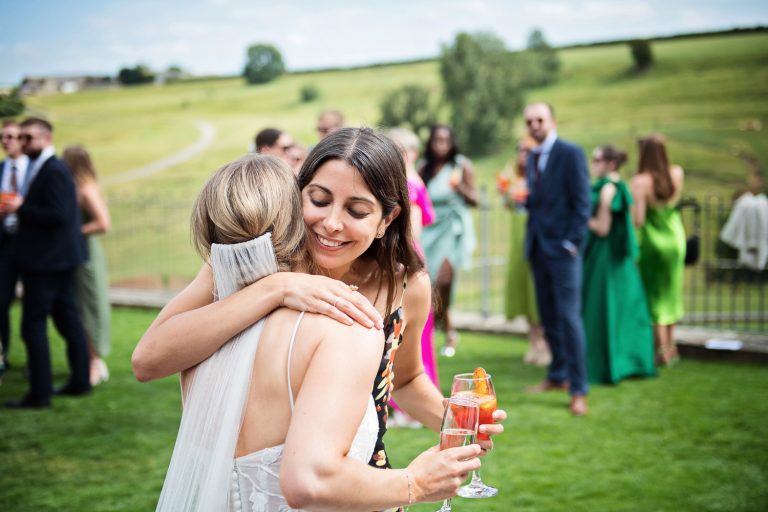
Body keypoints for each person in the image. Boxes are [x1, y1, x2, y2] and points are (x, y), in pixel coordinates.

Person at [133, 128, 505, 472]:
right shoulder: (260, 260)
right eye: (319, 200)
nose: (331, 223)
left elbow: (405, 380)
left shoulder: (406, 284)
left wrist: (449, 417)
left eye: (357, 211)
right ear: (298, 192)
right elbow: (148, 360)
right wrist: (276, 288)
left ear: (387, 219)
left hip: (360, 484)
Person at [2, 117, 91, 408]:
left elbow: (58, 215)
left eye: (28, 138)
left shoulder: (53, 170)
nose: (22, 143)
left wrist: (20, 208)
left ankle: (39, 394)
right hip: (56, 259)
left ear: (46, 138)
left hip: (47, 262)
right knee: (67, 319)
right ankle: (80, 382)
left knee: (32, 325)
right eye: (21, 138)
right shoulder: (47, 168)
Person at [522, 103, 591, 416]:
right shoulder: (532, 157)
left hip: (563, 251)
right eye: (529, 121)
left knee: (569, 317)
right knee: (548, 316)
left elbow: (582, 202)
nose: (534, 125)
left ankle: (579, 390)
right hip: (538, 247)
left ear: (552, 121)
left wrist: (572, 243)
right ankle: (557, 375)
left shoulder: (571, 153)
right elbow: (538, 204)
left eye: (539, 119)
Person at [582, 145, 656, 384]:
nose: (593, 164)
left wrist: (580, 217)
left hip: (606, 260)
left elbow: (602, 228)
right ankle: (627, 362)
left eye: (597, 160)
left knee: (603, 309)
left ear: (611, 164)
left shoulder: (608, 190)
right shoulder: (619, 187)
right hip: (616, 261)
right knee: (624, 311)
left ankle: (609, 365)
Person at [386, 127, 438, 428]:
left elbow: (415, 229)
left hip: (404, 259)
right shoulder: (414, 181)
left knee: (412, 337)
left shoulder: (408, 184)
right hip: (408, 257)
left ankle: (408, 409)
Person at [419, 125, 478, 357]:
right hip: (431, 231)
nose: (441, 144)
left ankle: (447, 328)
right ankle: (443, 328)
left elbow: (475, 199)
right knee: (430, 283)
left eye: (446, 140)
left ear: (452, 142)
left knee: (444, 280)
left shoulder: (461, 166)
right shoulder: (425, 168)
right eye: (437, 140)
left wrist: (461, 188)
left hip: (452, 231)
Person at [630, 134, 686, 366]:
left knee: (654, 296)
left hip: (654, 241)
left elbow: (639, 220)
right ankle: (672, 347)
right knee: (671, 293)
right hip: (675, 237)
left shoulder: (640, 182)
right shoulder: (677, 173)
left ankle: (661, 350)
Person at [62, 146, 112, 386]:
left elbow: (103, 223)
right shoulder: (78, 186)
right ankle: (87, 359)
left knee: (89, 307)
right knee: (78, 307)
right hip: (78, 252)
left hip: (87, 255)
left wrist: (73, 232)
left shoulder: (86, 188)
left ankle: (95, 361)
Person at [500, 136, 550, 367]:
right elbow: (508, 205)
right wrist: (505, 194)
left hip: (539, 239)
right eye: (520, 150)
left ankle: (546, 343)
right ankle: (533, 342)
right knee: (523, 288)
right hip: (518, 241)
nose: (523, 154)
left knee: (538, 291)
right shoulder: (513, 177)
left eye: (527, 150)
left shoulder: (542, 177)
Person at [0, 121, 30, 369]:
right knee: (2, 302)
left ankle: (34, 363)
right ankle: (3, 356)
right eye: (3, 137)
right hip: (6, 243)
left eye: (11, 136)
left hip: (31, 243)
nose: (6, 141)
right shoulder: (1, 169)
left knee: (34, 310)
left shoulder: (33, 168)